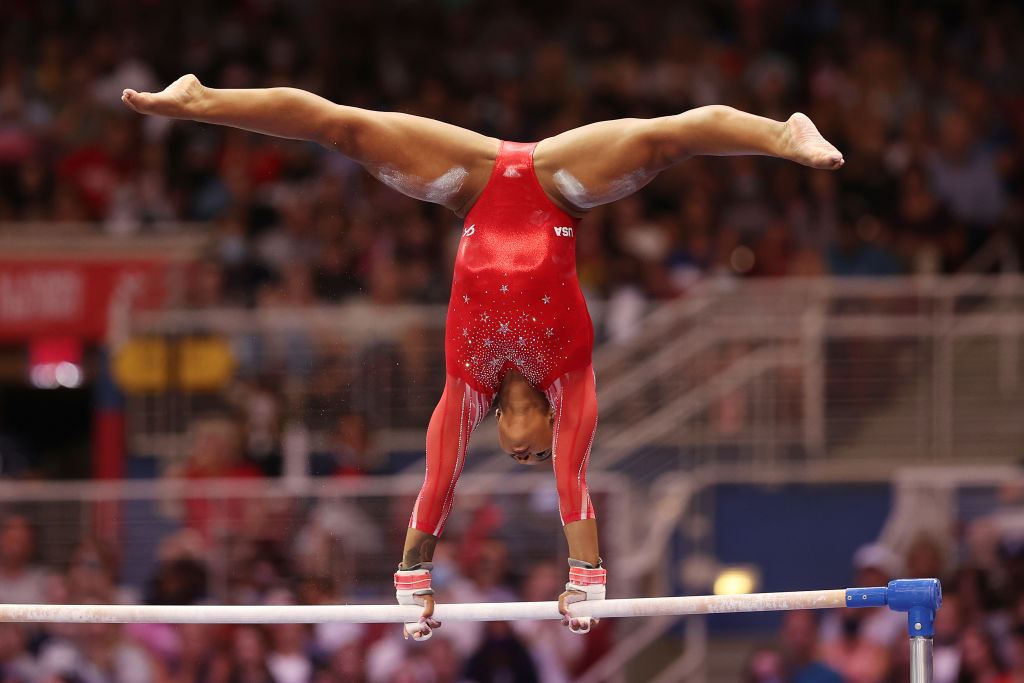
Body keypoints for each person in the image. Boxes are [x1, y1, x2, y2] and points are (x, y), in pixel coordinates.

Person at [122, 74, 844, 640]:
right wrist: (586, 579)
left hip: (468, 184)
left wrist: (413, 580)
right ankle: (203, 100)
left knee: (342, 128)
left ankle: (782, 133)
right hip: (561, 188)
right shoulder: (572, 382)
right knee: (664, 140)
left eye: (514, 455)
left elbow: (440, 478)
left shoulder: (467, 387)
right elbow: (575, 477)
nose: (523, 453)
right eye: (531, 455)